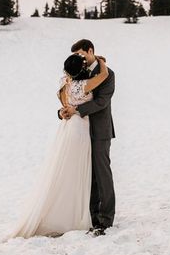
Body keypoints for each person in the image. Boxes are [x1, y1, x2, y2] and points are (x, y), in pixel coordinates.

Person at [8, 52, 109, 238]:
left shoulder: (65, 83)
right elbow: (103, 76)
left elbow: (64, 105)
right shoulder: (83, 86)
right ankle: (74, 214)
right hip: (80, 130)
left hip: (66, 128)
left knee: (63, 170)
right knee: (78, 173)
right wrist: (101, 61)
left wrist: (65, 111)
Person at [60, 39, 116, 236]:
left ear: (90, 50)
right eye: (76, 56)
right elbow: (68, 96)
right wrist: (64, 111)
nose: (79, 59)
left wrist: (77, 110)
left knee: (102, 174)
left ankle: (106, 218)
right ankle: (92, 216)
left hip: (100, 131)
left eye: (81, 55)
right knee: (88, 175)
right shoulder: (78, 73)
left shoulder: (108, 74)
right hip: (80, 133)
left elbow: (101, 102)